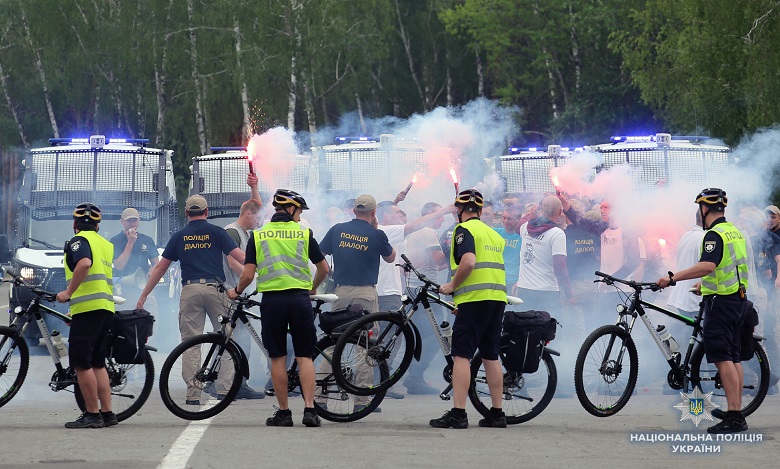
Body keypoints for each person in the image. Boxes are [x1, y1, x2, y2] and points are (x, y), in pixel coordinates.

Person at [228, 189, 329, 427]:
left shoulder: (259, 235)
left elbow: (248, 274)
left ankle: (284, 413)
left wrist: (237, 291)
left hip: (273, 302)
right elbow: (324, 268)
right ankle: (310, 410)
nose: (300, 215)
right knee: (304, 356)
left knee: (277, 358)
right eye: (299, 211)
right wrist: (313, 287)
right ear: (291, 209)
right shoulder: (303, 232)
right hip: (300, 300)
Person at [657, 188, 749, 434]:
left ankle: (734, 417)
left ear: (704, 208)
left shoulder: (713, 235)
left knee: (723, 358)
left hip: (721, 304)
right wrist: (704, 285)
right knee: (733, 357)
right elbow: (728, 267)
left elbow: (707, 265)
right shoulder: (734, 231)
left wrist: (672, 278)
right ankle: (736, 412)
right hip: (737, 299)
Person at [136, 194, 245, 402]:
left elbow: (160, 268)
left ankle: (193, 393)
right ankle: (224, 390)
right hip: (216, 289)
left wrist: (144, 294)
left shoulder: (179, 236)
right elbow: (240, 257)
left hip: (190, 290)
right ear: (207, 212)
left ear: (186, 213)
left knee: (191, 342)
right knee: (226, 338)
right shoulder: (217, 232)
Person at [430, 189, 507, 429]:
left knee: (461, 355)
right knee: (490, 356)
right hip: (496, 299)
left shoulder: (463, 230)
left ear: (458, 210)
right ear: (481, 211)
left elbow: (469, 261)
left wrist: (452, 286)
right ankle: (497, 413)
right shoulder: (494, 234)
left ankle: (458, 413)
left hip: (475, 300)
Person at [319, 194, 395, 411]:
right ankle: (362, 401)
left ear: (353, 211)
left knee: (334, 343)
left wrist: (329, 271)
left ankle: (320, 397)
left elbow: (319, 253)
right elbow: (391, 257)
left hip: (340, 293)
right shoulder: (376, 234)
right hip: (365, 295)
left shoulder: (337, 230)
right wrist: (375, 229)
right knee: (365, 346)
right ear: (373, 212)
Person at [56, 203, 117, 428]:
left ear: (75, 224)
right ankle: (107, 413)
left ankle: (92, 414)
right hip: (105, 307)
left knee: (81, 363)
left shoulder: (79, 241)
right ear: (97, 226)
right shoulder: (105, 244)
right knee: (98, 363)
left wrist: (68, 293)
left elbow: (84, 264)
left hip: (89, 309)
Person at [221, 173, 265, 400]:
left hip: (240, 291)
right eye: (257, 218)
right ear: (247, 214)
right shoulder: (232, 231)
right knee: (236, 339)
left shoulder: (245, 232)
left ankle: (236, 381)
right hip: (232, 291)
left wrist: (254, 187)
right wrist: (252, 278)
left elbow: (257, 205)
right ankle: (235, 383)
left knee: (240, 338)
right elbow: (232, 261)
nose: (259, 222)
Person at [110, 207, 160, 333]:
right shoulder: (115, 241)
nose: (132, 223)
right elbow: (119, 265)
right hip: (124, 290)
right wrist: (130, 243)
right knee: (125, 326)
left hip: (145, 289)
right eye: (129, 221)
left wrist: (150, 274)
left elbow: (156, 264)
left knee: (151, 321)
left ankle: (149, 343)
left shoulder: (147, 240)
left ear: (139, 221)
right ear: (122, 222)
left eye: (135, 220)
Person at [495, 203, 523, 293]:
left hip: (514, 283)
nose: (506, 221)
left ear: (518, 219)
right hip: (497, 281)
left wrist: (520, 282)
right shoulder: (495, 233)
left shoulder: (523, 237)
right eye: (504, 217)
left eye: (510, 219)